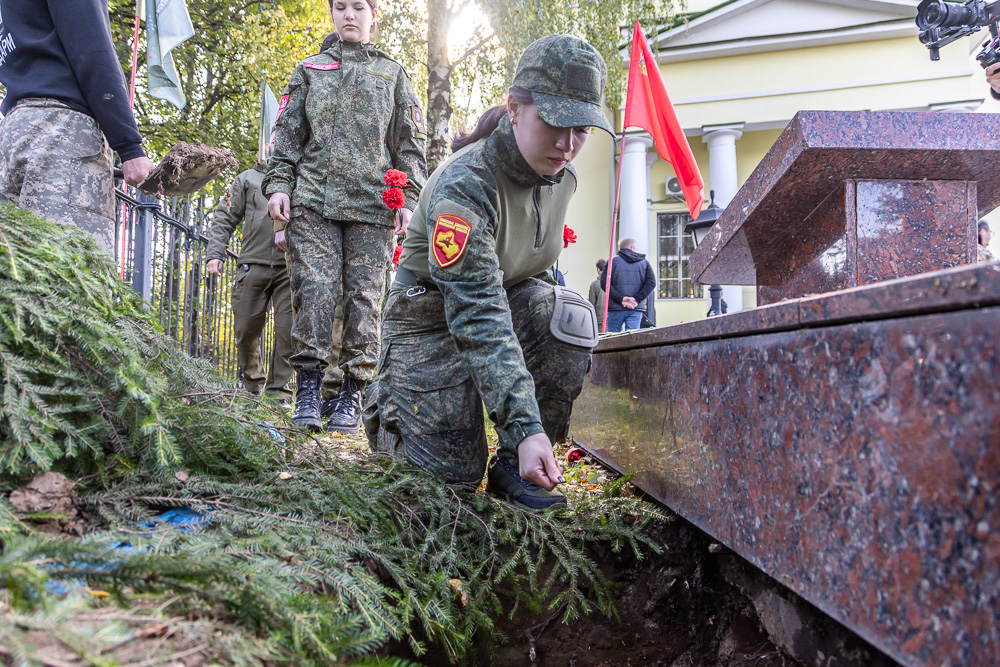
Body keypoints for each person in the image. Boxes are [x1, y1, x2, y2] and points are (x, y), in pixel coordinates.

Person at [364, 34, 612, 510]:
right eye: (555, 123)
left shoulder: (562, 179)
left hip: (496, 305)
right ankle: (390, 405)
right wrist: (526, 422)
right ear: (515, 108)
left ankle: (513, 465)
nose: (567, 144)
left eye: (582, 129)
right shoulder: (467, 185)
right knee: (447, 484)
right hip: (428, 321)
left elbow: (530, 284)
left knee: (570, 315)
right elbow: (477, 313)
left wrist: (523, 435)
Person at [263, 0, 427, 433]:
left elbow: (410, 144)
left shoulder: (392, 74)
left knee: (364, 300)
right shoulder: (310, 70)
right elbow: (287, 135)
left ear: (375, 15)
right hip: (313, 200)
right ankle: (309, 391)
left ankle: (351, 395)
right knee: (312, 291)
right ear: (332, 14)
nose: (349, 15)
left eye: (359, 7)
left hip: (373, 208)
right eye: (340, 7)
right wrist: (279, 184)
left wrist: (408, 199)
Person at [0, 0, 154, 254]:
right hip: (62, 132)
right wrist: (129, 148)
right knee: (73, 271)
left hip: (15, 127)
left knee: (19, 277)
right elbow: (92, 50)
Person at [206, 139, 293, 402]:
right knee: (245, 329)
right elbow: (225, 216)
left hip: (290, 267)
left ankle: (279, 394)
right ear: (269, 143)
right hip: (251, 264)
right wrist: (215, 253)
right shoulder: (247, 178)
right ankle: (253, 386)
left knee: (288, 331)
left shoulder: (300, 179)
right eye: (278, 140)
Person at [601, 238, 655, 332]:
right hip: (636, 308)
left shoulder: (612, 262)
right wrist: (636, 299)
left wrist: (621, 299)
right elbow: (651, 283)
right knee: (632, 340)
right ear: (632, 247)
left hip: (615, 307)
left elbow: (604, 283)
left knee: (613, 339)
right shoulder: (644, 263)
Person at [588, 258, 607, 326]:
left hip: (599, 318)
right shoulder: (613, 282)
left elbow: (591, 303)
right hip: (612, 317)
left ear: (598, 269)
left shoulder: (594, 285)